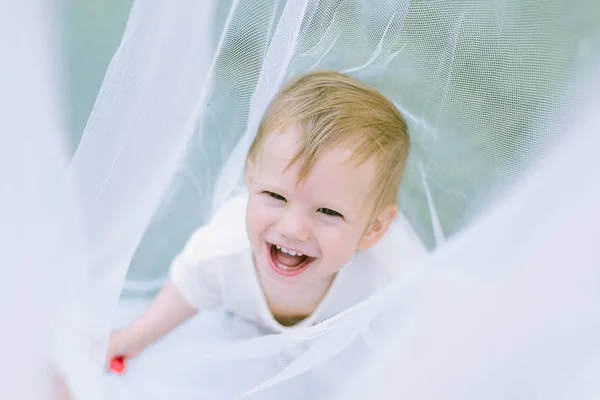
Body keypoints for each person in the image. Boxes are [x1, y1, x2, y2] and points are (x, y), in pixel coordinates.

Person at [106, 70, 410, 366]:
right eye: (276, 197)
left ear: (375, 228)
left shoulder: (392, 271)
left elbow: (425, 327)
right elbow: (188, 288)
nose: (292, 229)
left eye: (328, 212)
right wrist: (132, 338)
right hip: (245, 339)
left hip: (341, 355)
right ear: (251, 178)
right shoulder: (222, 250)